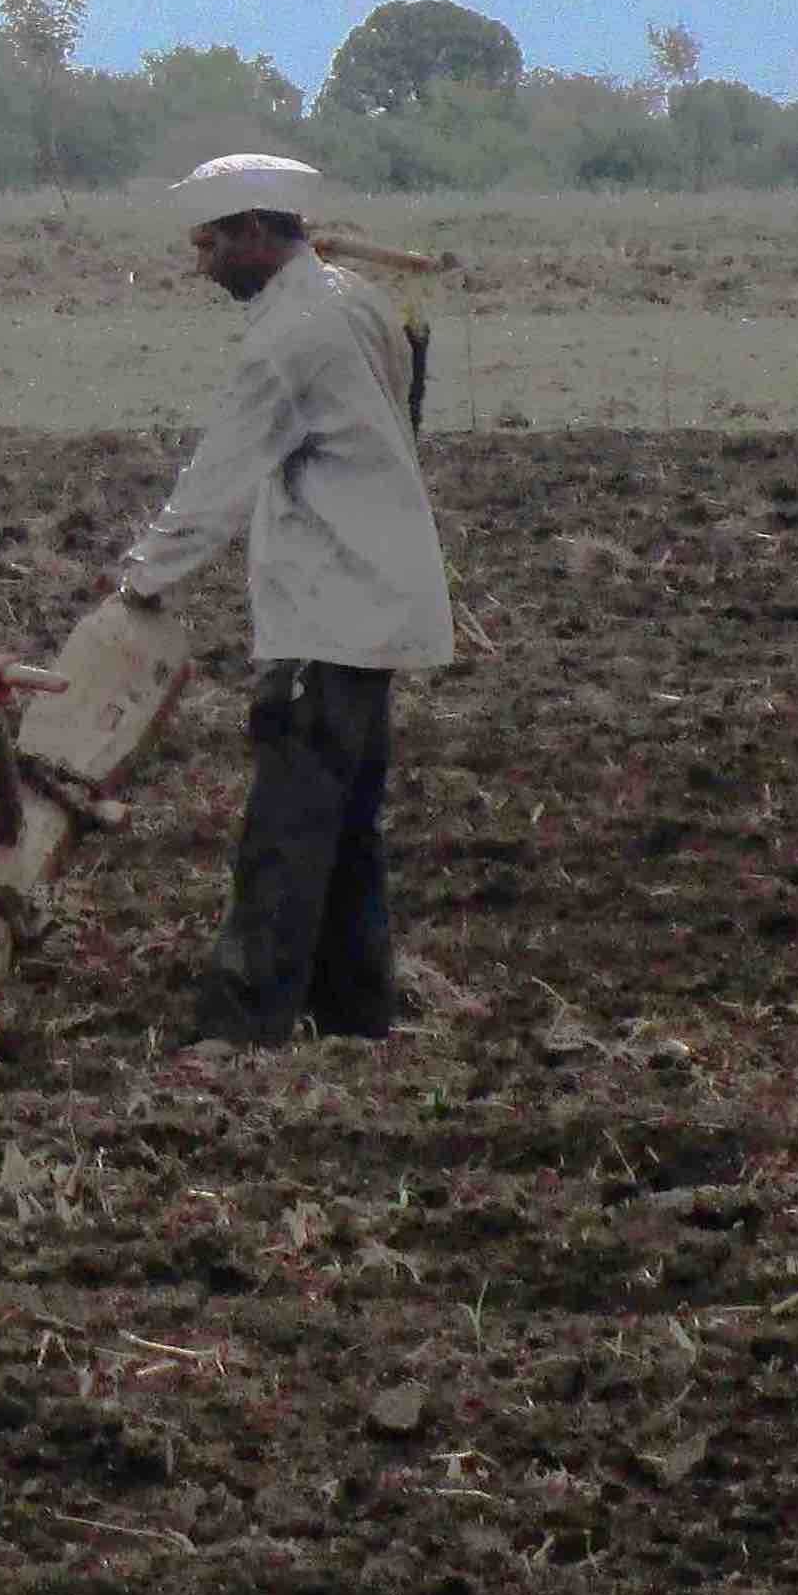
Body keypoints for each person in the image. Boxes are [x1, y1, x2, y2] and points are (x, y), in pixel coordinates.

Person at [112, 152, 455, 1045]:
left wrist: (140, 581)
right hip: (375, 598)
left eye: (213, 243)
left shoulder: (290, 336)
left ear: (259, 236)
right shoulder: (356, 298)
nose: (201, 265)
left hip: (328, 606)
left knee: (289, 826)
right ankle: (352, 1014)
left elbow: (217, 481)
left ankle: (243, 1023)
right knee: (346, 828)